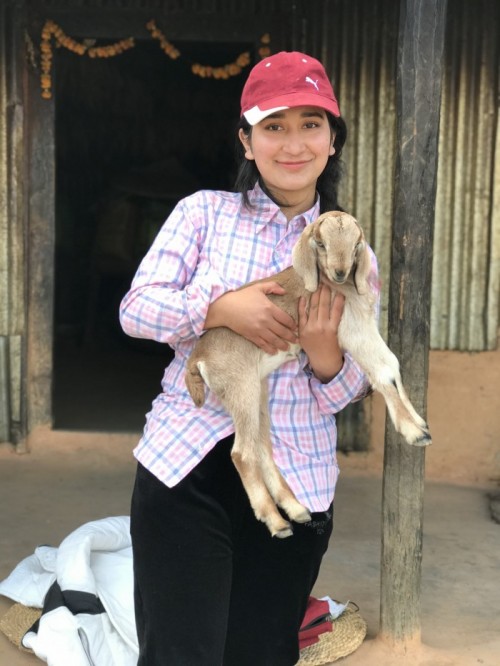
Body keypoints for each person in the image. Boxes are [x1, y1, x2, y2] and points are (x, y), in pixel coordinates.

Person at [119, 50, 379, 666]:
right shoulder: (203, 214)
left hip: (296, 476)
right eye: (274, 126)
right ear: (246, 140)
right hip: (187, 466)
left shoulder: (351, 249)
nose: (293, 144)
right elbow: (136, 310)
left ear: (333, 141)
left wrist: (326, 356)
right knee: (180, 652)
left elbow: (350, 388)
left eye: (311, 124)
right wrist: (220, 308)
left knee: (260, 653)